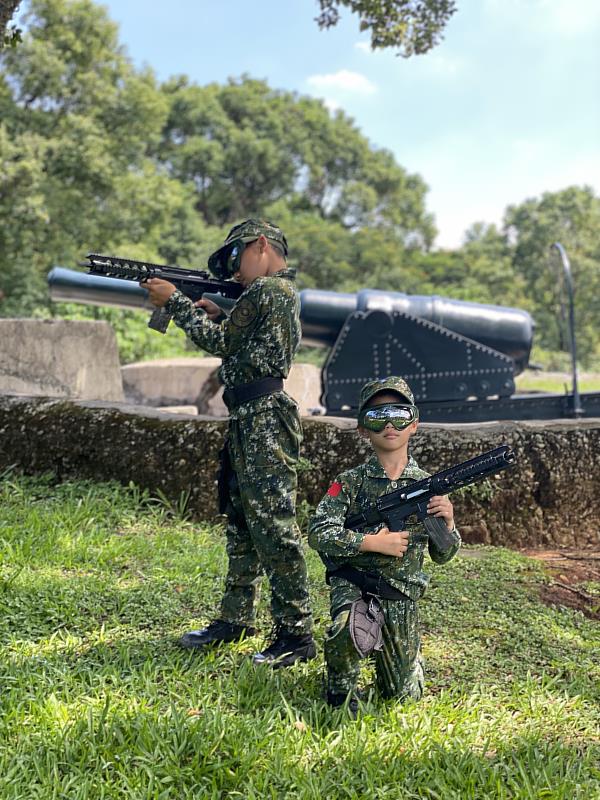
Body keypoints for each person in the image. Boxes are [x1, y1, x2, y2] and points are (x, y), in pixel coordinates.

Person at [143, 219, 315, 668]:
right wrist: (221, 314)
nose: (235, 271)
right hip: (247, 415)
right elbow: (238, 341)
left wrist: (176, 303)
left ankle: (296, 634)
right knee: (241, 520)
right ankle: (235, 618)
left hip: (262, 417)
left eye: (237, 258)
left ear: (262, 245)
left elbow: (216, 343)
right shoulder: (267, 296)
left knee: (274, 526)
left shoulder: (269, 291)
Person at [308, 376, 461, 713]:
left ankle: (408, 661)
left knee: (402, 696)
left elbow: (444, 554)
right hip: (356, 585)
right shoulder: (349, 483)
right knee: (347, 629)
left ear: (414, 425)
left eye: (400, 415)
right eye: (378, 417)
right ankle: (340, 684)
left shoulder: (427, 486)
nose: (390, 424)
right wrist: (370, 542)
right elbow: (318, 532)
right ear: (363, 429)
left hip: (401, 595)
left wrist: (447, 523)